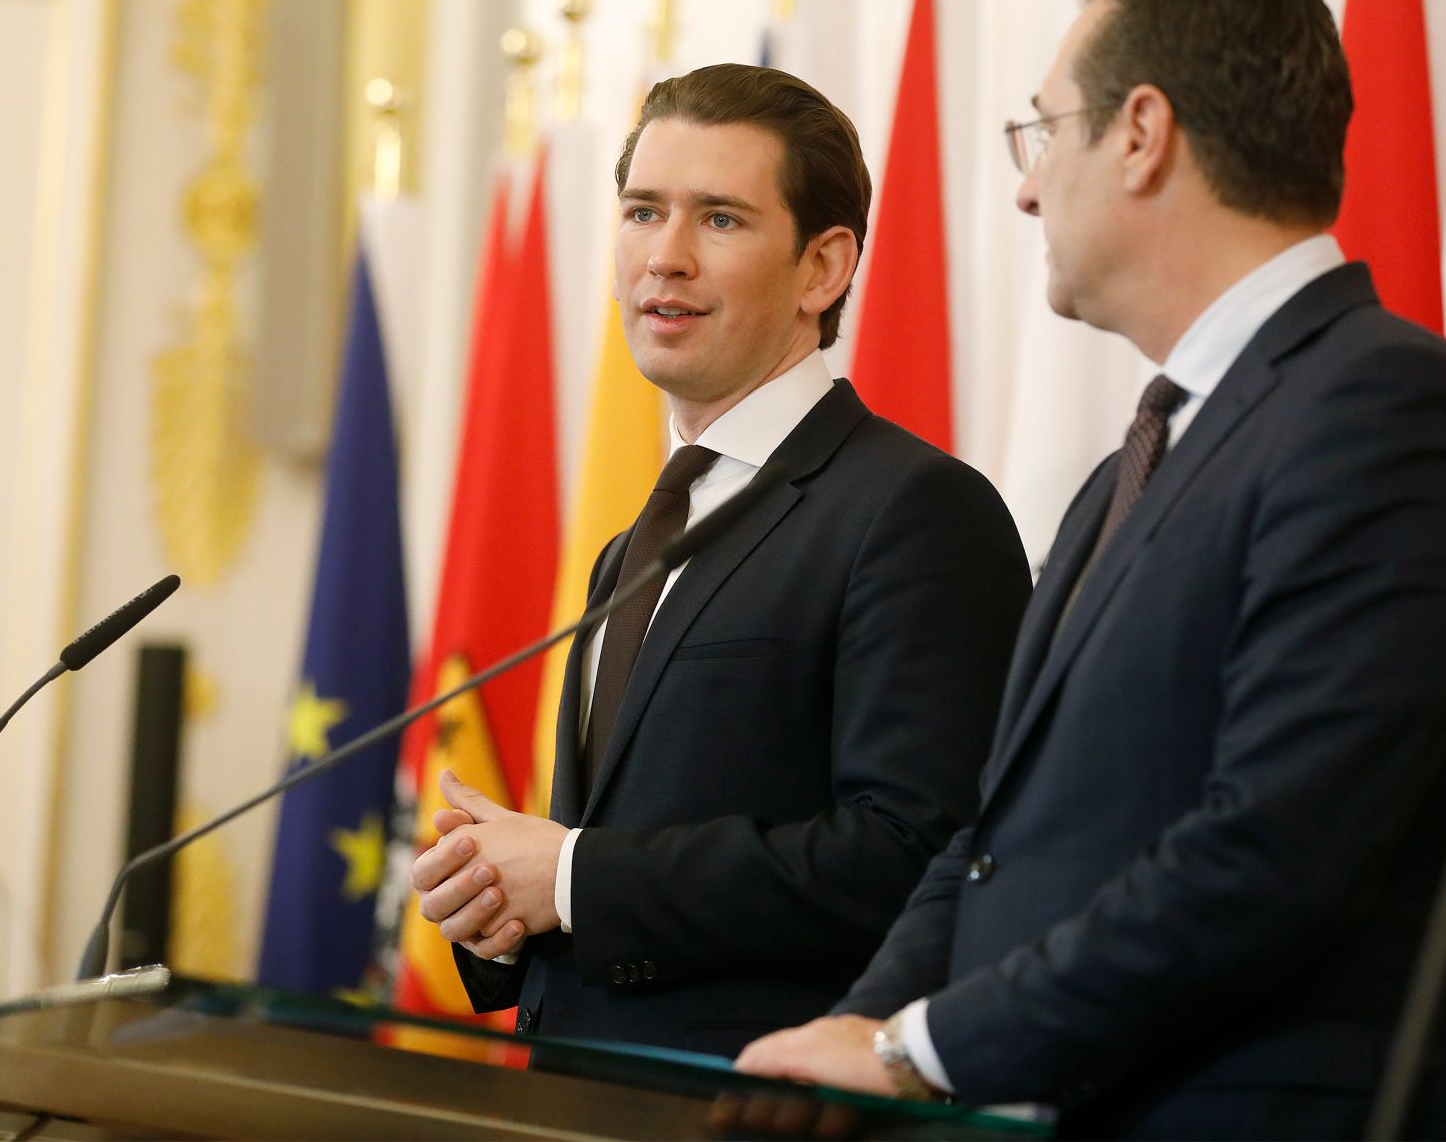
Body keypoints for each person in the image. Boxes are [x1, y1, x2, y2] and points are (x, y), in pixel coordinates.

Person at [735, 0, 1446, 1139]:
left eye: (1042, 130)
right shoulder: (1131, 464)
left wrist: (916, 1052)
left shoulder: (1385, 410)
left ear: (1141, 131)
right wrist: (835, 1047)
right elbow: (994, 844)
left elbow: (1271, 851)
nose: (1024, 185)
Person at [408, 63, 1031, 1059]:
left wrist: (572, 875)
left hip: (767, 1106)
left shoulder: (913, 511)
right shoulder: (632, 545)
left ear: (823, 268)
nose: (664, 256)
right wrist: (510, 906)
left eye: (720, 220)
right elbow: (621, 855)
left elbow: (915, 853)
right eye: (642, 211)